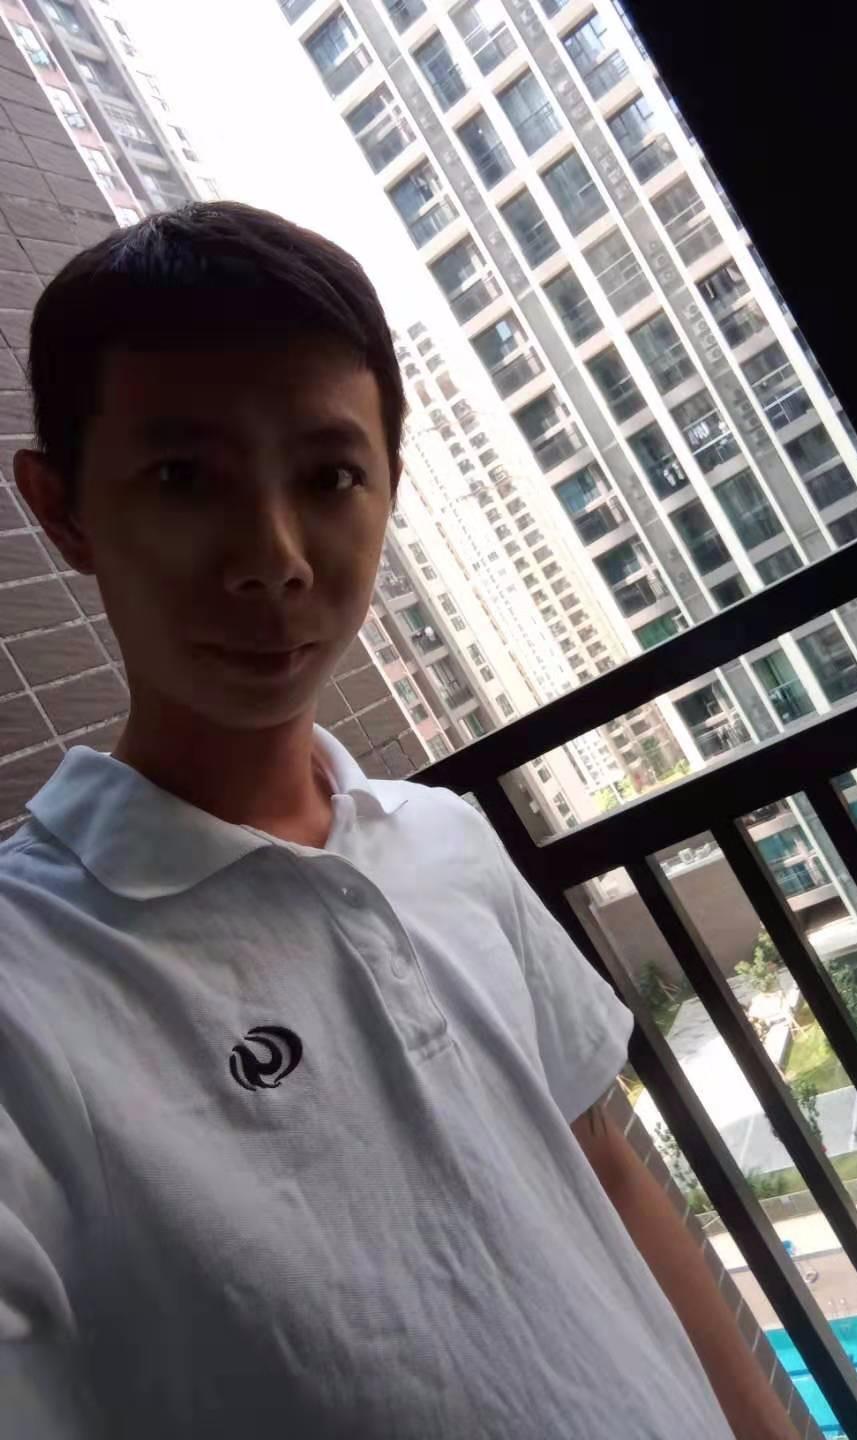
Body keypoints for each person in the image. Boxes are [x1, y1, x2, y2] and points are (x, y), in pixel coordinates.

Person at [1, 202, 798, 1439]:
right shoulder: (29, 980)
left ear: (389, 487)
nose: (273, 557)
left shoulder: (445, 840)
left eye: (328, 477)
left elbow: (606, 1169)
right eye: (183, 478)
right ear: (63, 510)